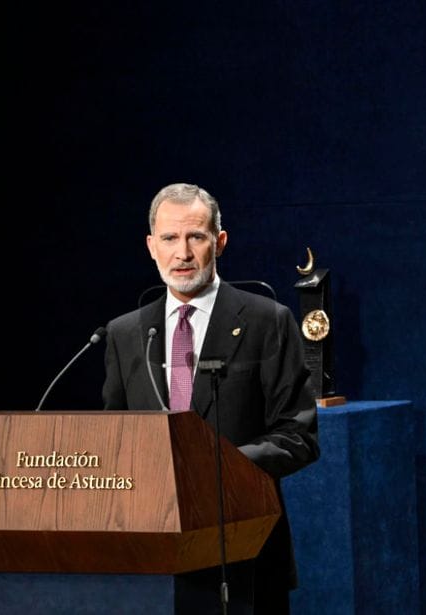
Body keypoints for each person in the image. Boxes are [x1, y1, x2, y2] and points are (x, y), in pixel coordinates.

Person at [102, 182, 320, 614]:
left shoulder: (266, 321)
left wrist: (213, 470)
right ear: (150, 246)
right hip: (152, 561)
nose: (182, 253)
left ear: (219, 242)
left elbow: (299, 437)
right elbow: (117, 442)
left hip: (247, 552)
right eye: (169, 238)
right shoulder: (124, 334)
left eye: (195, 237)